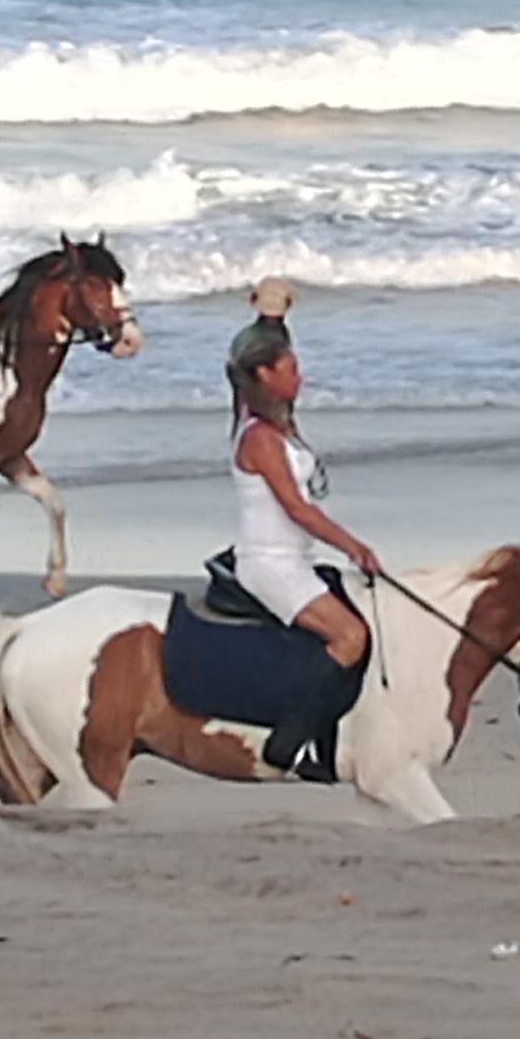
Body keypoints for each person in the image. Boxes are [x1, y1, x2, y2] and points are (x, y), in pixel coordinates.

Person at [227, 312, 383, 778]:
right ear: (264, 375)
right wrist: (353, 546)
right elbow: (297, 508)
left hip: (297, 559)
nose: (301, 378)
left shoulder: (280, 428)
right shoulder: (259, 437)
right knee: (350, 636)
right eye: (291, 369)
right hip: (268, 563)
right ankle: (289, 744)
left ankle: (328, 742)